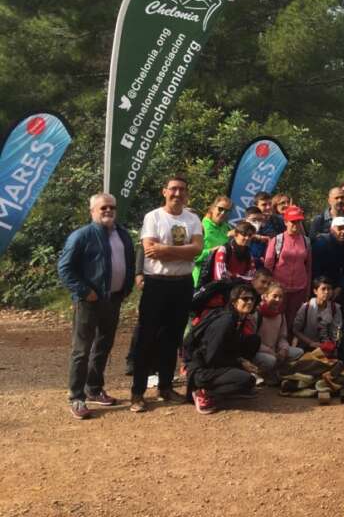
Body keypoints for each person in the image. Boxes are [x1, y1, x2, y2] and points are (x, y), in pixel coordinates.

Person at [130, 175, 204, 413]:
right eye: (173, 189)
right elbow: (150, 250)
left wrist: (166, 249)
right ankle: (137, 392)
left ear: (187, 193)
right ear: (164, 191)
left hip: (182, 285)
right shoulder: (153, 217)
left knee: (172, 339)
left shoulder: (192, 219)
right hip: (156, 284)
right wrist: (182, 251)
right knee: (146, 338)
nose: (177, 193)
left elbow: (197, 249)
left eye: (182, 189)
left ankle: (165, 387)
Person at [58, 192, 135, 419]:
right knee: (81, 350)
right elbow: (64, 268)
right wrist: (85, 291)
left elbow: (129, 263)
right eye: (103, 208)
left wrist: (126, 288)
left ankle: (94, 388)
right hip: (89, 302)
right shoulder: (81, 236)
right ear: (92, 211)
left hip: (113, 299)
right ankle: (76, 397)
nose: (108, 210)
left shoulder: (123, 234)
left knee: (103, 346)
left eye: (112, 207)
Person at [184, 284, 261, 414]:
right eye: (245, 299)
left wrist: (241, 360)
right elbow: (211, 357)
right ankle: (203, 392)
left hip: (215, 361)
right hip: (203, 368)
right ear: (234, 301)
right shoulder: (226, 321)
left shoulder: (238, 318)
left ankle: (230, 381)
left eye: (252, 299)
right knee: (247, 380)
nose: (249, 302)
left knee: (253, 340)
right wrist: (240, 363)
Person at [264, 205, 313, 332]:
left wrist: (307, 291)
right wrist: (267, 289)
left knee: (293, 321)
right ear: (286, 222)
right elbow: (268, 266)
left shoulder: (306, 241)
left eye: (298, 221)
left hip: (299, 289)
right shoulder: (277, 240)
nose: (296, 224)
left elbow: (308, 267)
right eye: (293, 221)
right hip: (279, 289)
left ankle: (289, 342)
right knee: (276, 319)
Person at [311, 216, 344, 312]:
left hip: (340, 289)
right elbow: (315, 270)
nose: (343, 231)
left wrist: (340, 287)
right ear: (332, 230)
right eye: (340, 228)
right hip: (321, 290)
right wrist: (325, 289)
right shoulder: (321, 244)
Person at [254, 283, 303, 382]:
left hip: (274, 350)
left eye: (280, 297)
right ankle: (259, 373)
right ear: (265, 296)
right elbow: (253, 342)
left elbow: (282, 337)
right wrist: (272, 352)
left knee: (299, 352)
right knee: (271, 360)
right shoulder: (256, 314)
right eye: (274, 296)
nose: (278, 300)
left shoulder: (280, 315)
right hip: (258, 351)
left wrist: (283, 349)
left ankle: (275, 372)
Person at [292, 278, 342, 356]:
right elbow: (295, 330)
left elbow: (336, 331)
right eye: (323, 289)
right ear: (315, 291)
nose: (327, 292)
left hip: (326, 347)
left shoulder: (335, 308)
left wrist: (333, 345)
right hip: (306, 346)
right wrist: (310, 343)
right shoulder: (306, 307)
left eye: (329, 289)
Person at [192, 196, 233, 286]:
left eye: (227, 211)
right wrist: (212, 251)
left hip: (218, 279)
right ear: (213, 208)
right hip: (201, 278)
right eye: (220, 209)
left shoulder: (227, 228)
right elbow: (193, 256)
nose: (223, 213)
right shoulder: (201, 226)